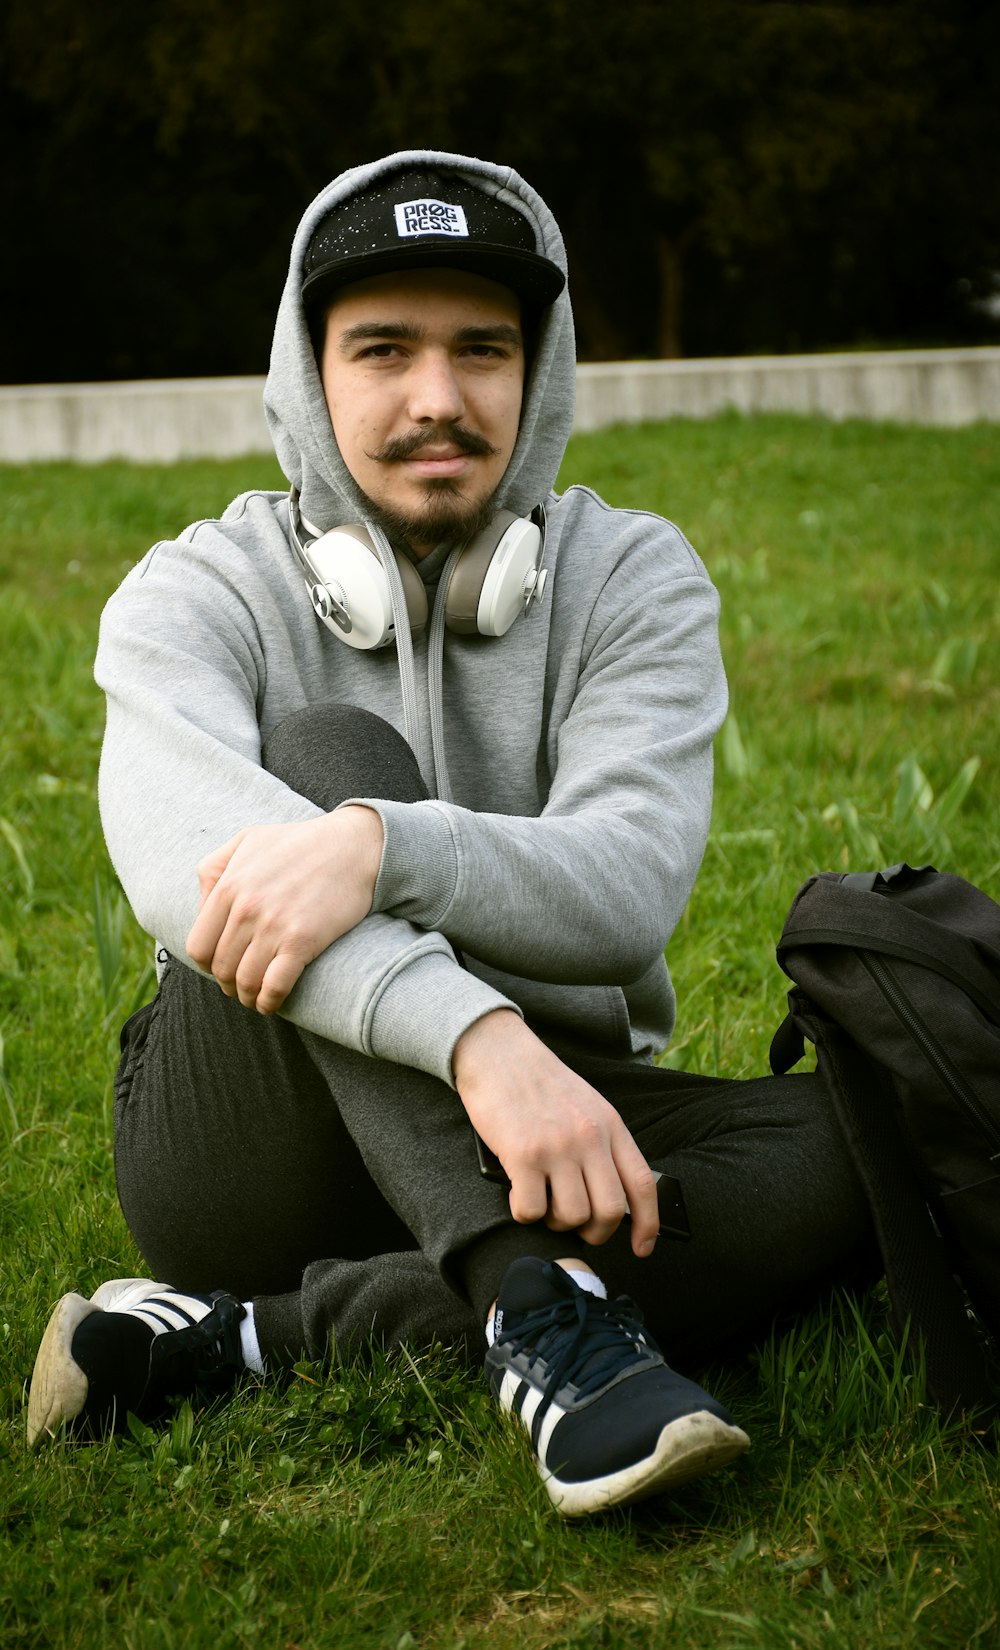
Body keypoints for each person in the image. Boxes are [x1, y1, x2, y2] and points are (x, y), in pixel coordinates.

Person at [27, 151, 875, 1516]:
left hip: (552, 1097)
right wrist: (472, 1036)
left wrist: (381, 850)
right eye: (384, 350)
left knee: (865, 1137)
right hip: (255, 1129)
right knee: (320, 760)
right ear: (311, 373)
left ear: (540, 370)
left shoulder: (632, 574)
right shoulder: (196, 588)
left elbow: (627, 885)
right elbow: (189, 865)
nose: (440, 396)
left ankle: (242, 1336)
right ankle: (541, 1304)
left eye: (484, 347)